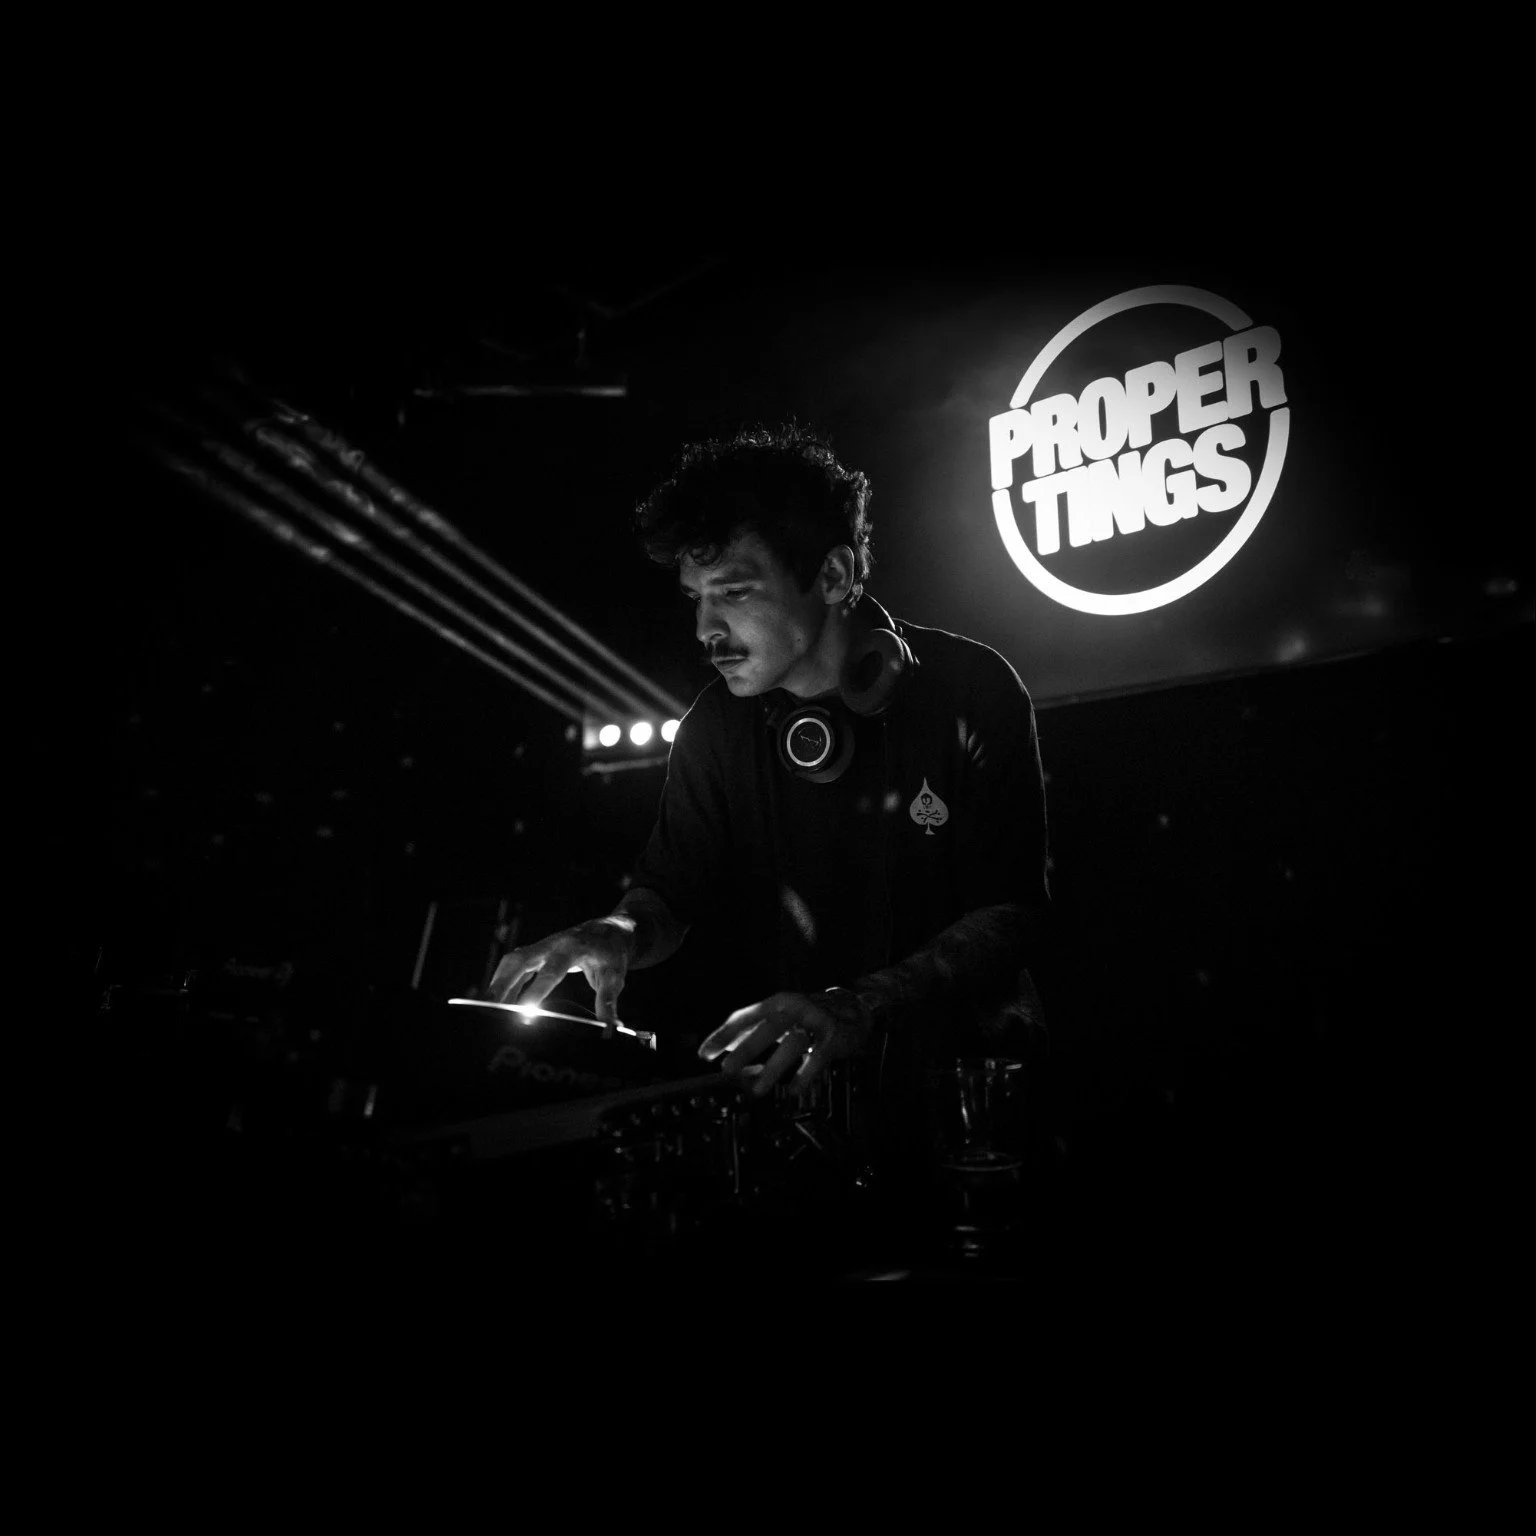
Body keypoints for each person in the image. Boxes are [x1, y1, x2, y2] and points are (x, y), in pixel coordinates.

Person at [489, 424, 1049, 1177]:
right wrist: (616, 932)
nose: (705, 629)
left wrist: (863, 1002)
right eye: (696, 598)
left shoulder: (971, 690)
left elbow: (1014, 912)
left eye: (734, 592)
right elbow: (669, 894)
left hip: (977, 1111)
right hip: (810, 1119)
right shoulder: (714, 728)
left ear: (834, 574)